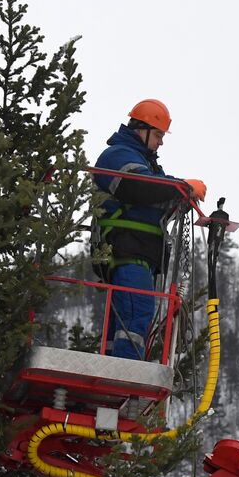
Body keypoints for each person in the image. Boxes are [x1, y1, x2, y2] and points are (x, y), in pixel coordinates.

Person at [93, 99, 206, 360]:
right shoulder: (117, 155)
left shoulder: (147, 165)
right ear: (139, 130)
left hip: (139, 252)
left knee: (125, 319)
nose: (161, 142)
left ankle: (114, 367)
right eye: (157, 135)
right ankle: (123, 376)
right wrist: (182, 186)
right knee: (136, 313)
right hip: (126, 248)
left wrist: (183, 198)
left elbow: (156, 193)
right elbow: (138, 187)